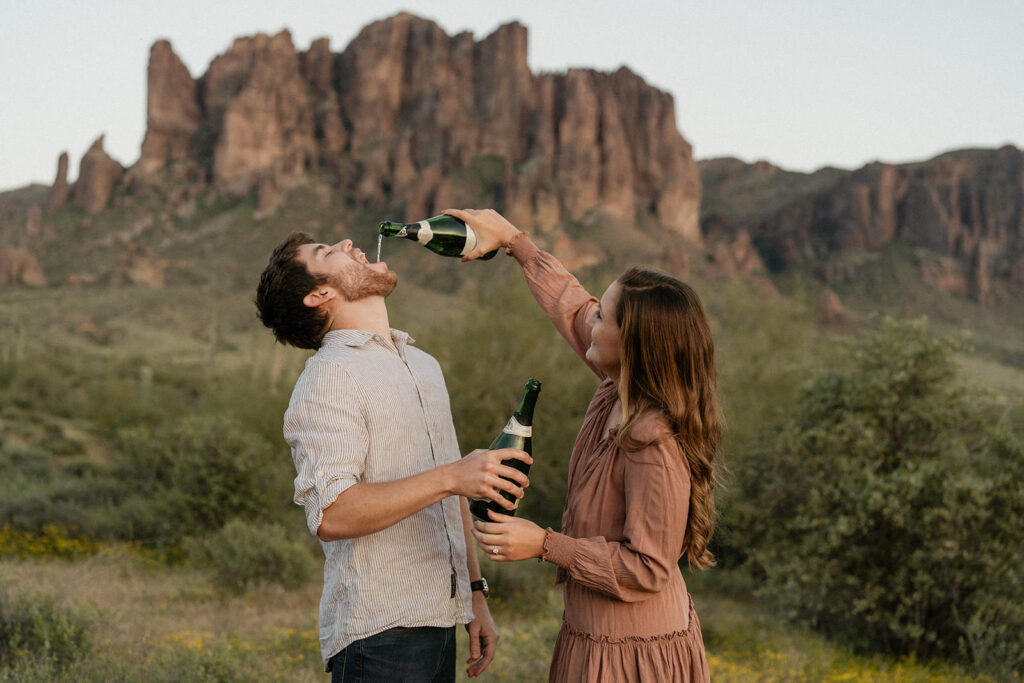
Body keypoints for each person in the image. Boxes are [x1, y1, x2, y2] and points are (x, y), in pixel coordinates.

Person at [450, 208, 720, 682]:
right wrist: (514, 241)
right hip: (593, 637)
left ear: (634, 344)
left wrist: (544, 545)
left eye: (604, 317)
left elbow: (649, 568)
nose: (590, 320)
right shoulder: (617, 390)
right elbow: (571, 306)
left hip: (634, 656)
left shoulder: (653, 440)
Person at [255, 232, 532, 682]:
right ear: (320, 295)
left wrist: (475, 595)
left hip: (441, 623)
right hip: (379, 637)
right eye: (328, 252)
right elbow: (332, 515)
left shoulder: (423, 364)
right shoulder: (330, 376)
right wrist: (450, 477)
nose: (347, 241)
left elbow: (455, 489)